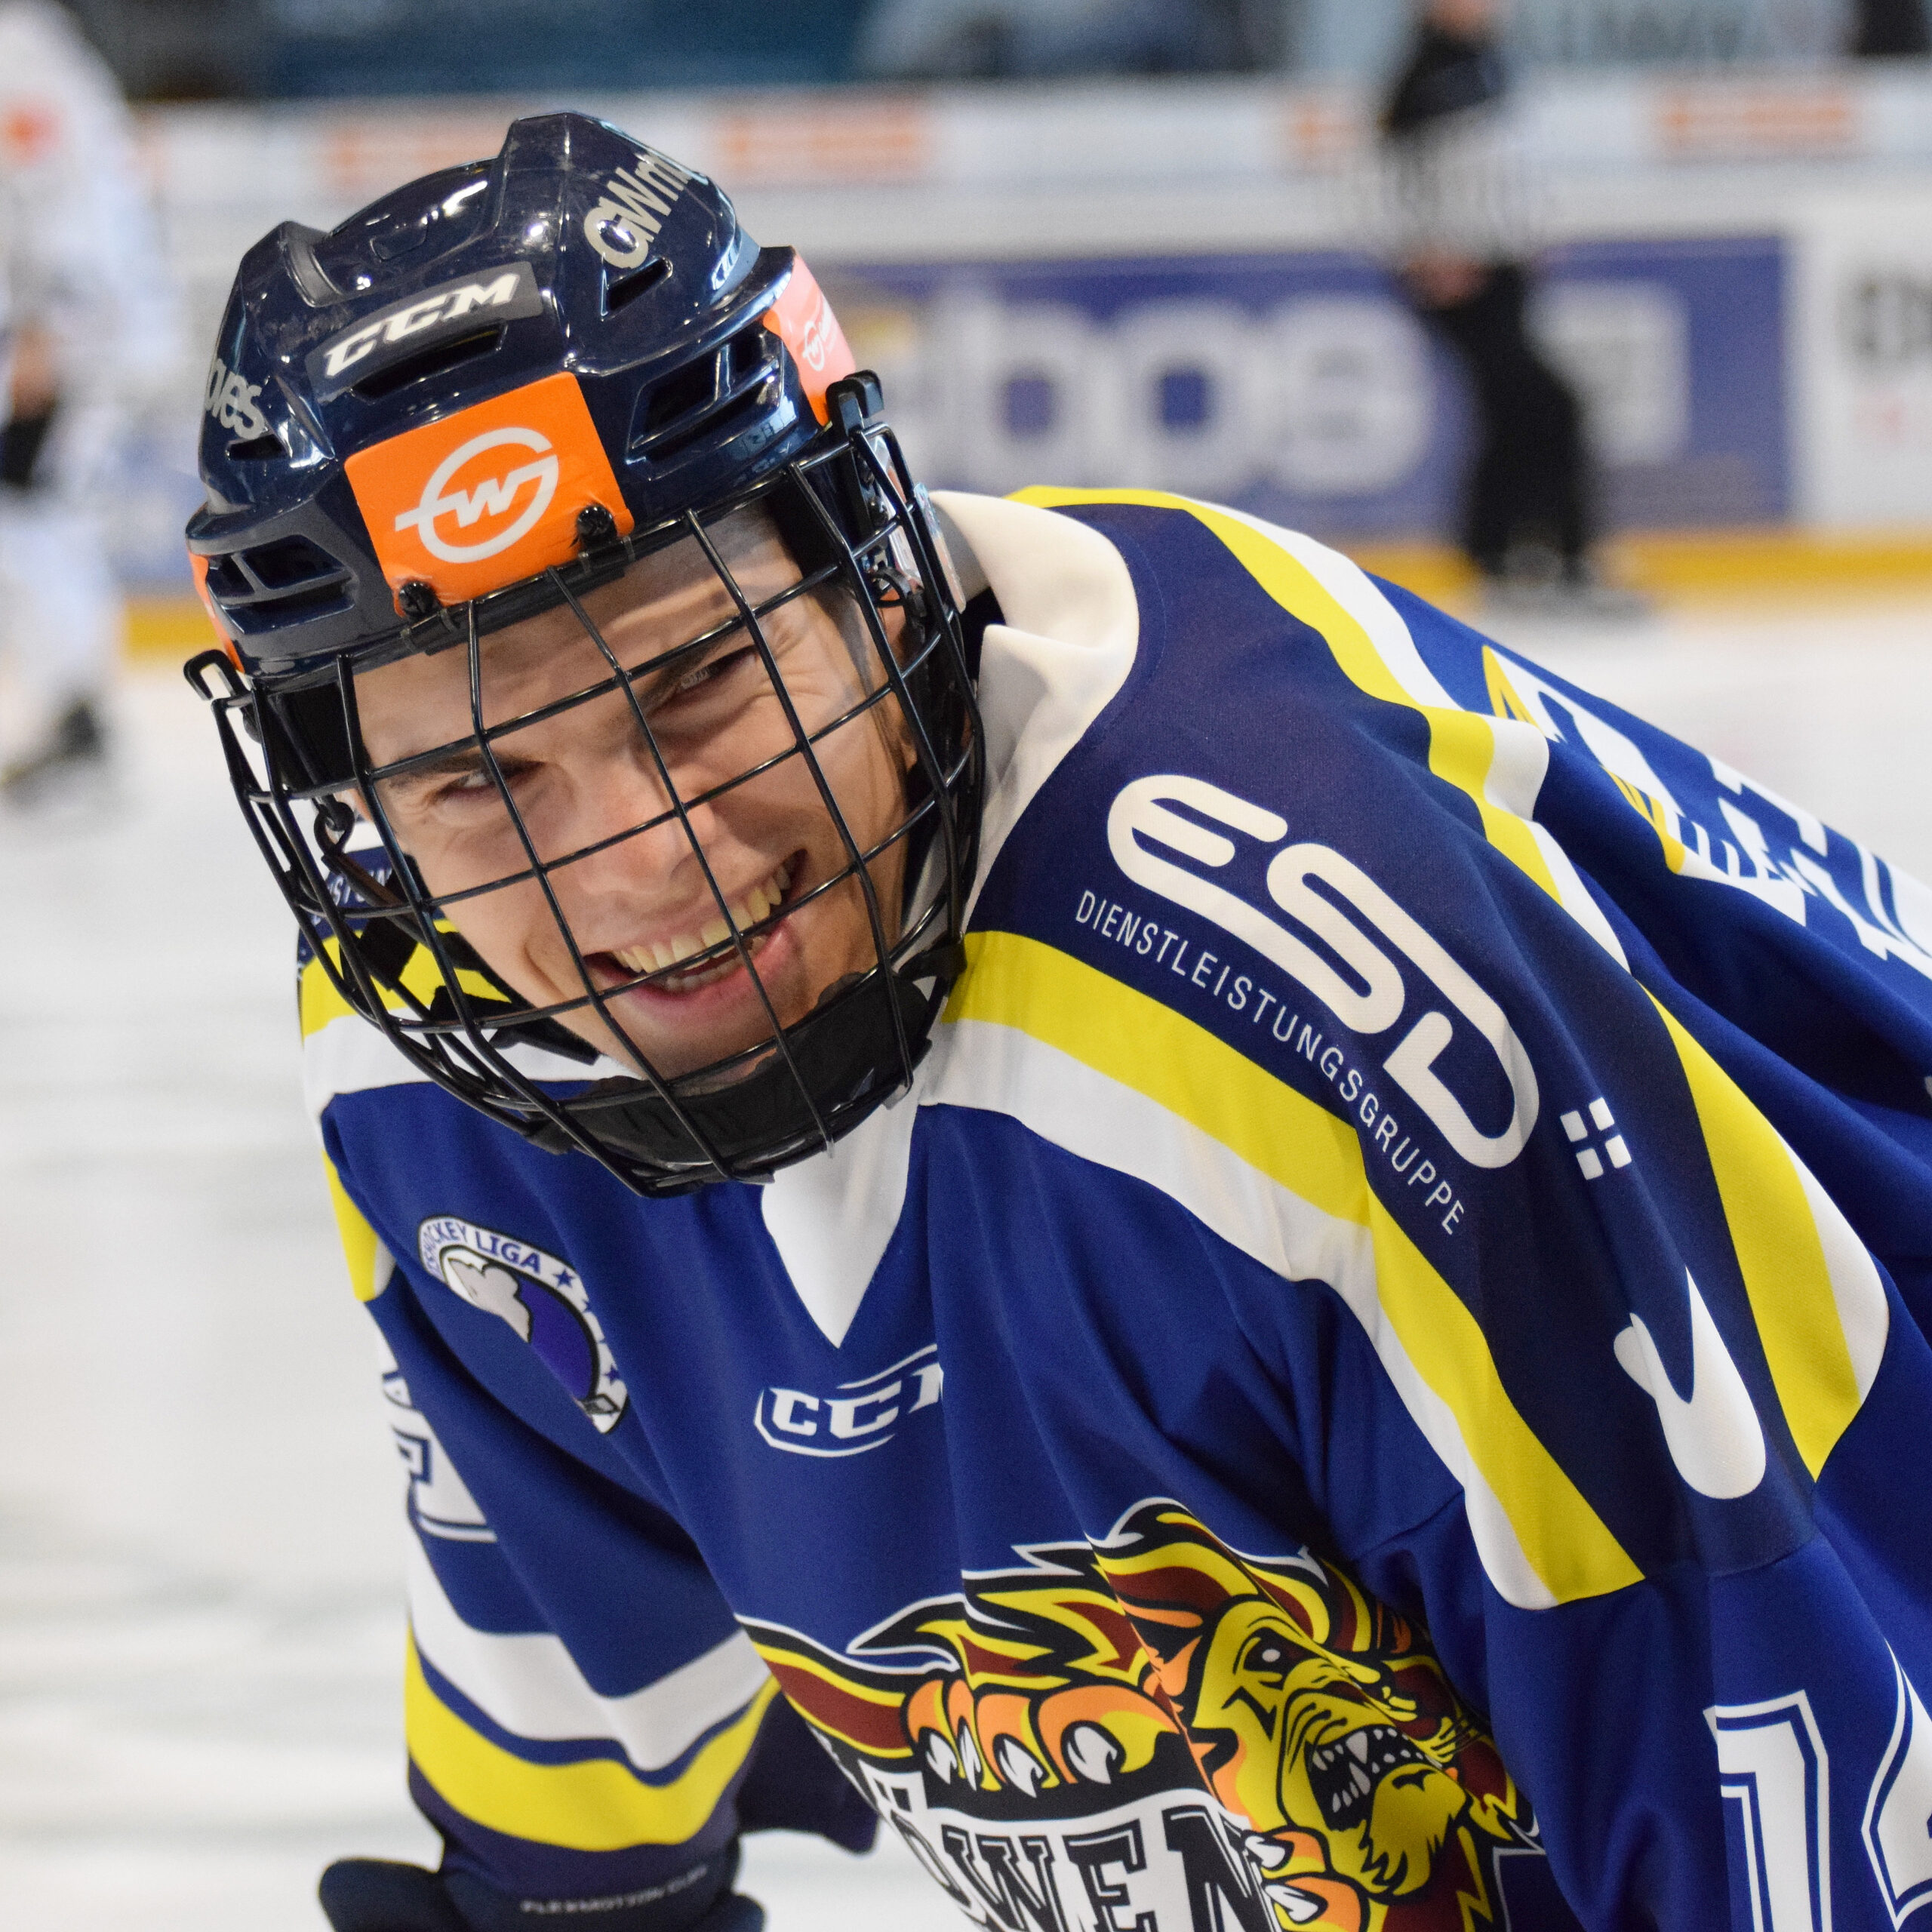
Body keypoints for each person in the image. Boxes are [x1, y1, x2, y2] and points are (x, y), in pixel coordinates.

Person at [186, 114, 1932, 1932]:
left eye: (700, 683)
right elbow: (573, 1805)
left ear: (864, 566)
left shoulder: (1291, 991)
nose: (643, 878)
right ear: (359, 810)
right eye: (481, 781)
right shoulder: (430, 1067)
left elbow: (1789, 1779)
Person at [1379, 0, 1624, 611]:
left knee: (1517, 411)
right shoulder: (1424, 73)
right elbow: (1387, 175)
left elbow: (1505, 164)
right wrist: (1423, 250)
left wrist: (1526, 232)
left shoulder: (1488, 64)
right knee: (1547, 405)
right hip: (1462, 273)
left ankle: (1505, 554)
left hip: (1499, 268)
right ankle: (1556, 556)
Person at [0, 0, 178, 803]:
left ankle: (81, 724)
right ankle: (75, 718)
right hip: (70, 332)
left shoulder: (22, 57)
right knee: (36, 519)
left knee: (33, 517)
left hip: (73, 340)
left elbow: (65, 200)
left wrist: (53, 324)